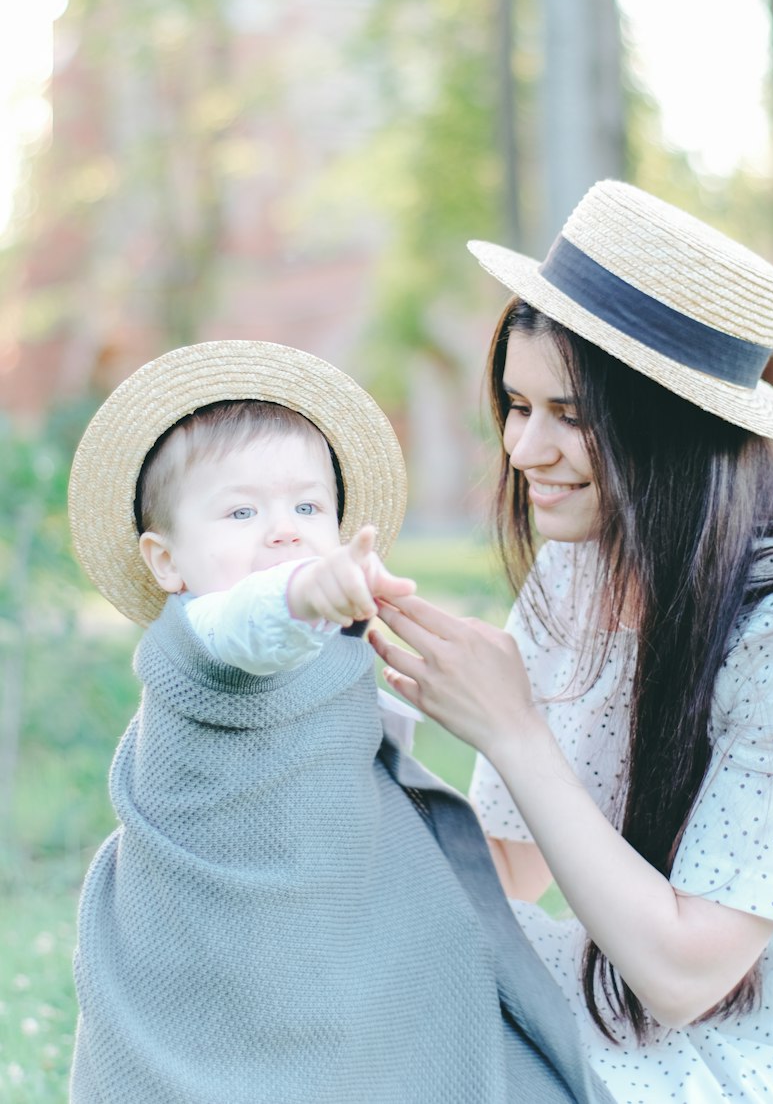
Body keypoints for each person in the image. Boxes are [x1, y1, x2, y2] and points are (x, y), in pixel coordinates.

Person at [370, 179, 773, 1104]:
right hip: (638, 1009)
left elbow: (688, 976)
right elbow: (506, 866)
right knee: (377, 998)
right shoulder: (577, 571)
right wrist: (353, 712)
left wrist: (512, 729)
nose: (524, 449)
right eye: (517, 404)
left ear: (674, 428)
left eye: (571, 416)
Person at [67, 338, 615, 1104]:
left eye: (306, 507)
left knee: (446, 1033)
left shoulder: (332, 646)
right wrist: (306, 594)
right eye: (240, 510)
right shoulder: (200, 643)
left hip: (333, 932)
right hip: (220, 942)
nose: (284, 529)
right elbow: (252, 624)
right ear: (168, 565)